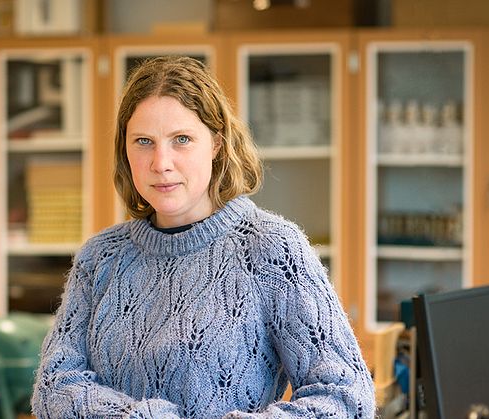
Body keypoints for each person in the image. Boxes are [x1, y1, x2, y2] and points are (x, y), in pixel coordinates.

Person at [31, 56, 375, 418]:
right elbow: (54, 387)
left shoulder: (273, 249)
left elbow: (347, 399)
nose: (161, 162)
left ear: (216, 144)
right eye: (144, 141)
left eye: (181, 139)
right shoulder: (100, 257)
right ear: (125, 150)